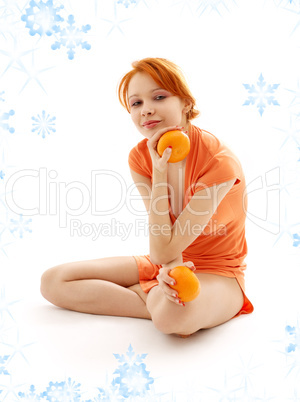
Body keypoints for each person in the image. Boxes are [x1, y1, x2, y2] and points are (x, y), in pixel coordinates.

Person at [41, 58, 254, 337]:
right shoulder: (141, 157)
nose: (146, 110)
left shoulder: (218, 162)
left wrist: (168, 265)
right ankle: (155, 298)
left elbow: (163, 248)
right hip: (166, 263)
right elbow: (163, 249)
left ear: (186, 103)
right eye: (136, 103)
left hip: (219, 274)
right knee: (54, 282)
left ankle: (151, 299)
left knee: (172, 321)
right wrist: (167, 270)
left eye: (159, 97)